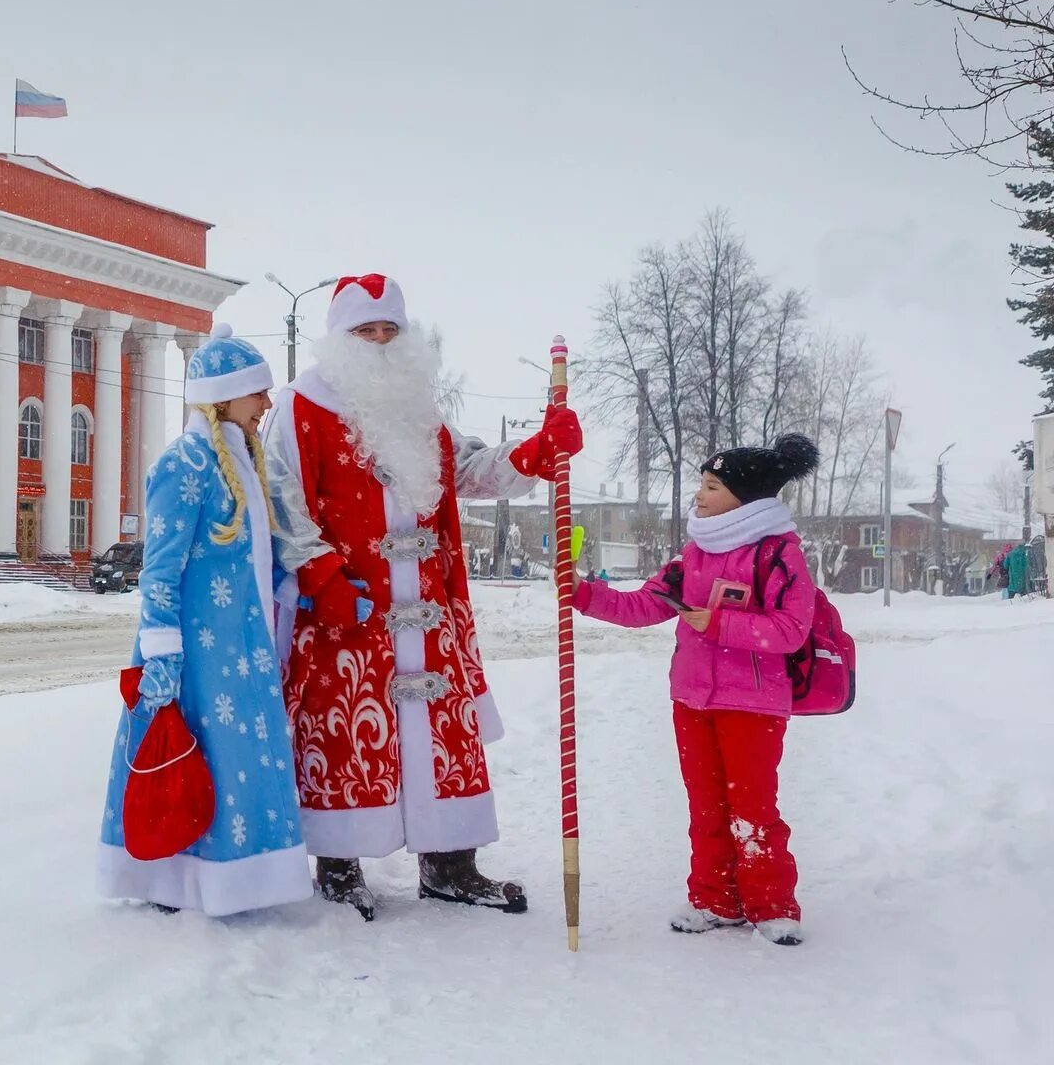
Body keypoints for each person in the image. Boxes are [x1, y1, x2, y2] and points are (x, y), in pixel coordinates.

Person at [264, 274, 582, 920]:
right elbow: (280, 498)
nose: (380, 342)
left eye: (390, 330)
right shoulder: (299, 407)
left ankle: (450, 864)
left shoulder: (420, 409)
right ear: (340, 338)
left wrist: (533, 452)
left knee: (438, 734)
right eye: (365, 331)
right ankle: (338, 865)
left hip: (429, 611)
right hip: (347, 606)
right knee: (347, 736)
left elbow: (466, 470)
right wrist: (321, 577)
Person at [95, 324, 312, 916]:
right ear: (223, 397)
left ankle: (240, 878)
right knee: (193, 762)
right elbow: (160, 569)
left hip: (242, 649)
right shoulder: (185, 462)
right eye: (257, 393)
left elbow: (256, 559)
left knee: (240, 762)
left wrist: (299, 597)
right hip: (195, 656)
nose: (267, 404)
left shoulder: (242, 460)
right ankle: (176, 881)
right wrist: (163, 650)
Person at [573, 434, 821, 946]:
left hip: (752, 704)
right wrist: (581, 593)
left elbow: (791, 630)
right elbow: (643, 606)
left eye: (712, 486)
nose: (700, 495)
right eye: (701, 485)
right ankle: (715, 899)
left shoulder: (779, 556)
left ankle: (772, 904)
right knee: (705, 806)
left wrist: (718, 624)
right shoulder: (693, 554)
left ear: (745, 496)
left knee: (752, 808)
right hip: (691, 699)